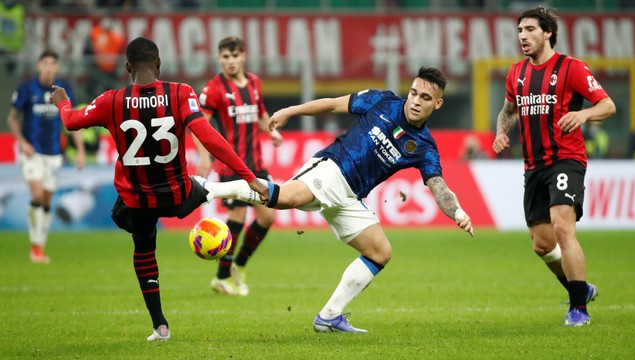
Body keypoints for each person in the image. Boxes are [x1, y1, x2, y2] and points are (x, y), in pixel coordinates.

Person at [210, 66, 475, 333]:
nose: (416, 101)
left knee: (380, 252)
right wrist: (291, 111)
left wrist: (458, 213)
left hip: (350, 197)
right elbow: (333, 105)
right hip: (332, 168)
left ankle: (329, 316)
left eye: (425, 98)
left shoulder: (424, 146)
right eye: (414, 93)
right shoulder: (381, 101)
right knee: (282, 198)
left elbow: (437, 186)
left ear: (438, 103)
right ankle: (209, 189)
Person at [50, 36, 270, 341]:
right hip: (179, 195)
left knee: (143, 248)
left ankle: (160, 326)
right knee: (200, 187)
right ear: (159, 64)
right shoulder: (180, 93)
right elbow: (210, 138)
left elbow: (72, 121)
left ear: (126, 66)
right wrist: (249, 176)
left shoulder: (111, 100)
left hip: (137, 202)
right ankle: (226, 189)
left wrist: (62, 101)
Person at [492, 7, 616, 326]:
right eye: (520, 29)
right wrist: (500, 133)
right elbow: (508, 111)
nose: (522, 35)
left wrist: (584, 115)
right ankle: (579, 289)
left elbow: (607, 104)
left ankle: (579, 309)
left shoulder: (571, 68)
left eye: (530, 29)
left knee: (562, 227)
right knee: (542, 244)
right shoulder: (516, 73)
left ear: (548, 33)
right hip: (533, 165)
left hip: (566, 159)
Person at [193, 36, 283, 296]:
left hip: (257, 164)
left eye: (234, 56)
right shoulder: (213, 89)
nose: (230, 61)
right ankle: (222, 276)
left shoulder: (254, 82)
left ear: (243, 55)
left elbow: (259, 113)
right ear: (219, 58)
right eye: (225, 57)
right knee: (237, 219)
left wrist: (272, 131)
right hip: (231, 165)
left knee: (267, 217)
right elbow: (199, 126)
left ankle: (238, 266)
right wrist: (205, 156)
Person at [7, 49, 86, 264]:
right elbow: (12, 118)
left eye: (52, 63)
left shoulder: (63, 90)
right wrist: (22, 143)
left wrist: (79, 151)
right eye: (45, 63)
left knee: (47, 201)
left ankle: (40, 245)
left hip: (54, 153)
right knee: (37, 196)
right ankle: (35, 247)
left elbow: (73, 121)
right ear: (38, 66)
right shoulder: (27, 88)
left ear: (57, 67)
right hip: (33, 152)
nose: (49, 67)